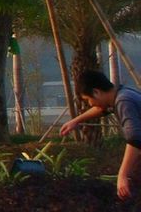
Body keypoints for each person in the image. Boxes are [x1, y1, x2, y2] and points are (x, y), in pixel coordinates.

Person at [60, 68, 141, 200]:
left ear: (96, 92)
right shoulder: (122, 93)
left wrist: (122, 174)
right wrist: (76, 121)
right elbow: (102, 109)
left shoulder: (123, 101)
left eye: (87, 100)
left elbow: (135, 139)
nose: (89, 104)